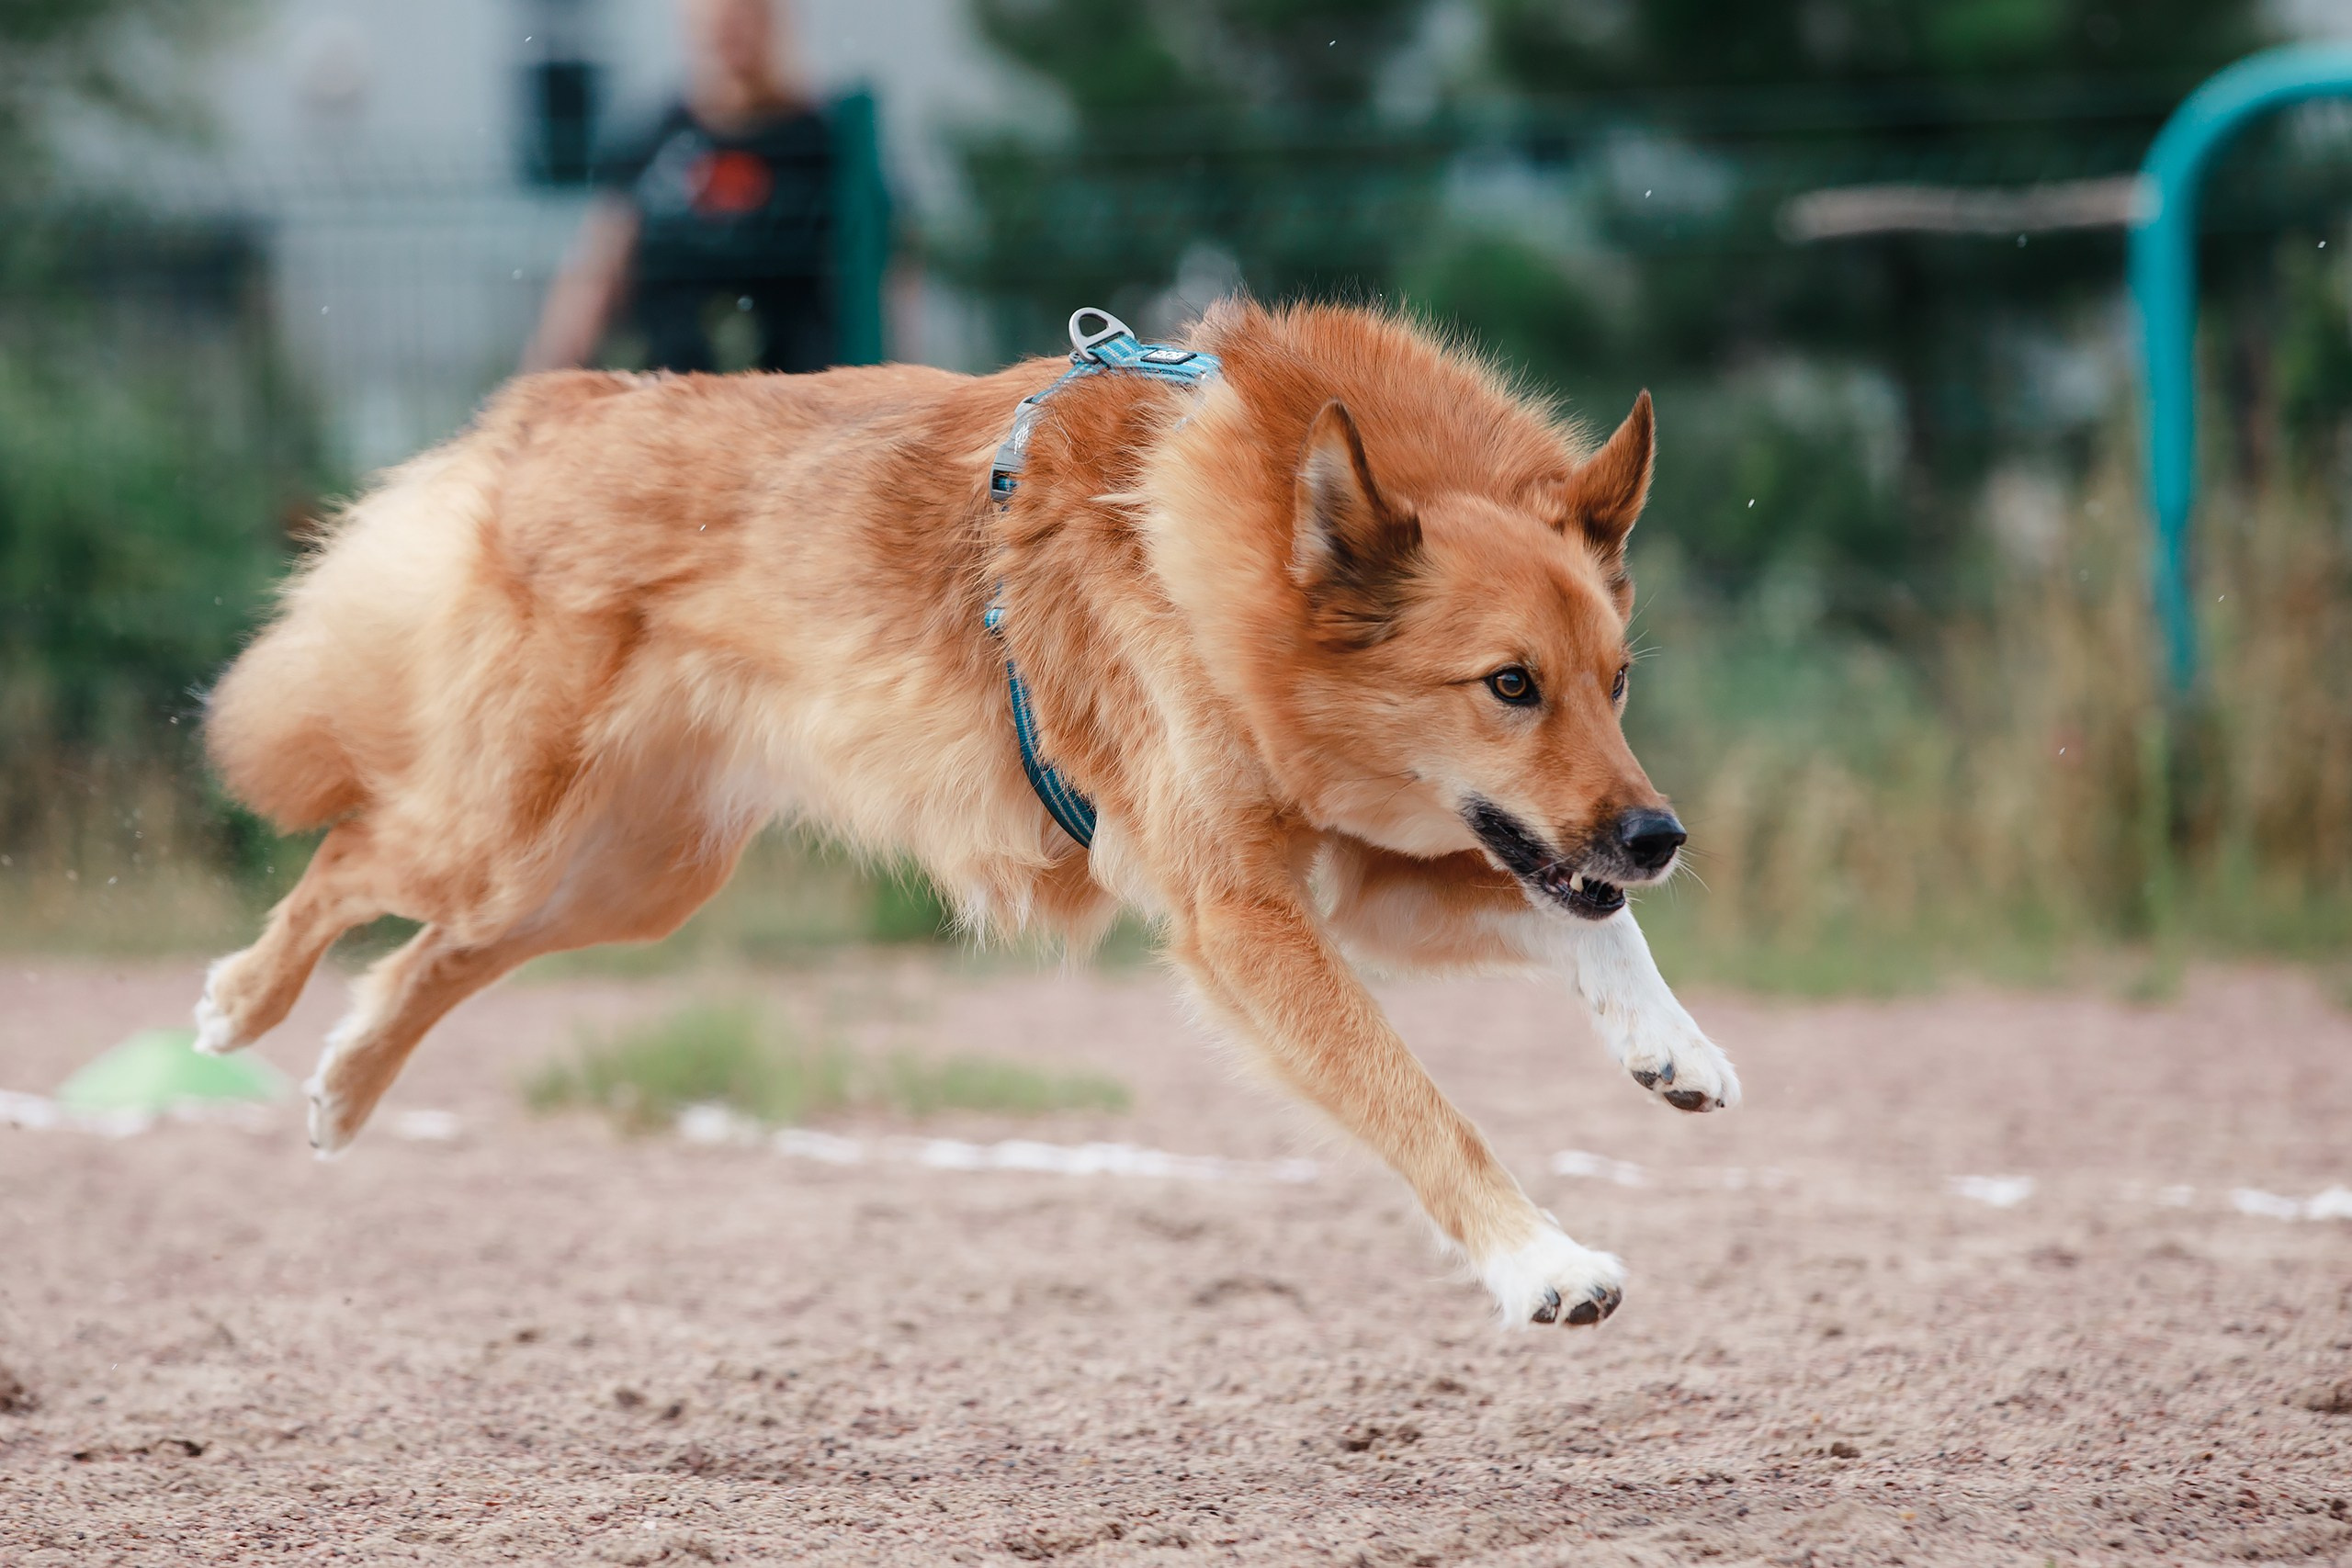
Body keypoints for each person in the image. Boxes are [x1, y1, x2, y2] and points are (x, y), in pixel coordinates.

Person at [523, 0, 835, 375]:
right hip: (676, 398)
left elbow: (888, 271)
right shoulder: (652, 139)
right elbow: (596, 275)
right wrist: (544, 380)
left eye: (740, 20)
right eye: (715, 23)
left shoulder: (822, 142)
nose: (727, 35)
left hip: (794, 397)